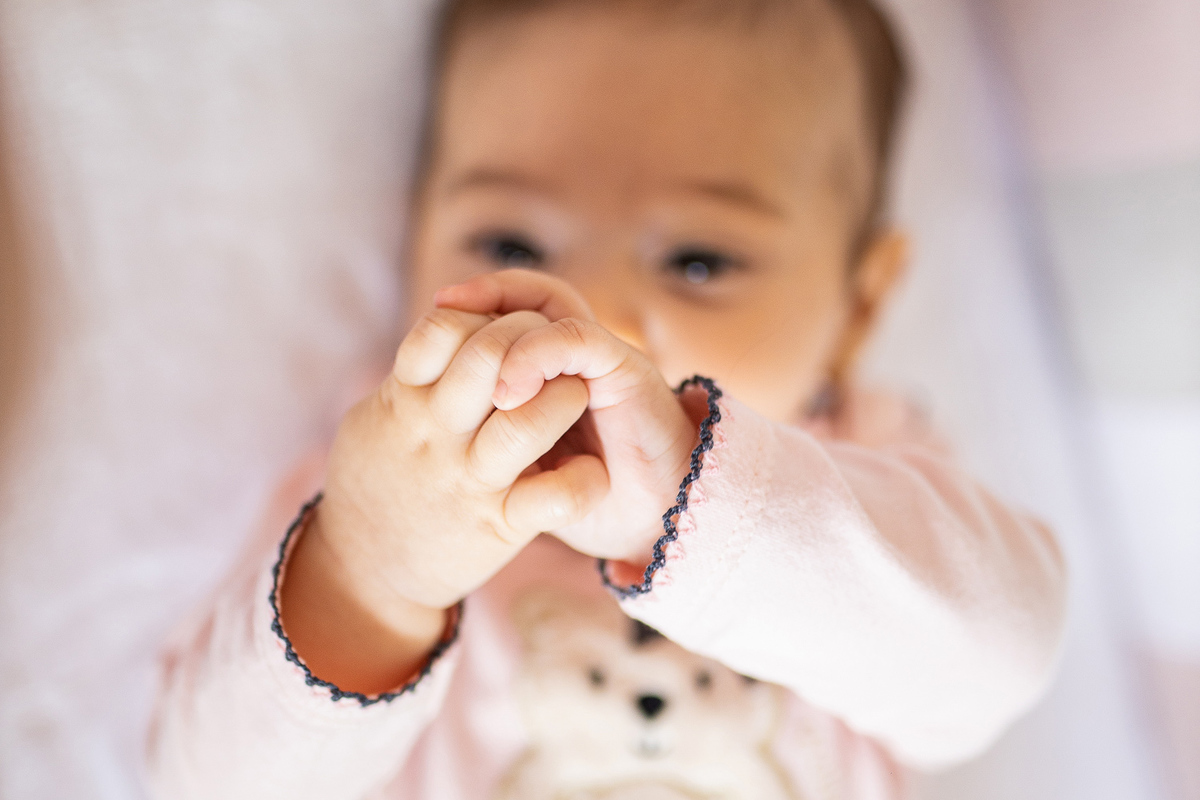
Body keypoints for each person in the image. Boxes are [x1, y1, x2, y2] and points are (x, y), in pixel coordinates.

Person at [146, 0, 1068, 797]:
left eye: (697, 262)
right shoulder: (384, 484)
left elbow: (1003, 659)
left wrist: (693, 505)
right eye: (511, 245)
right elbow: (202, 783)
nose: (592, 319)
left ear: (857, 308)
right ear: (414, 233)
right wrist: (370, 580)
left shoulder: (859, 478)